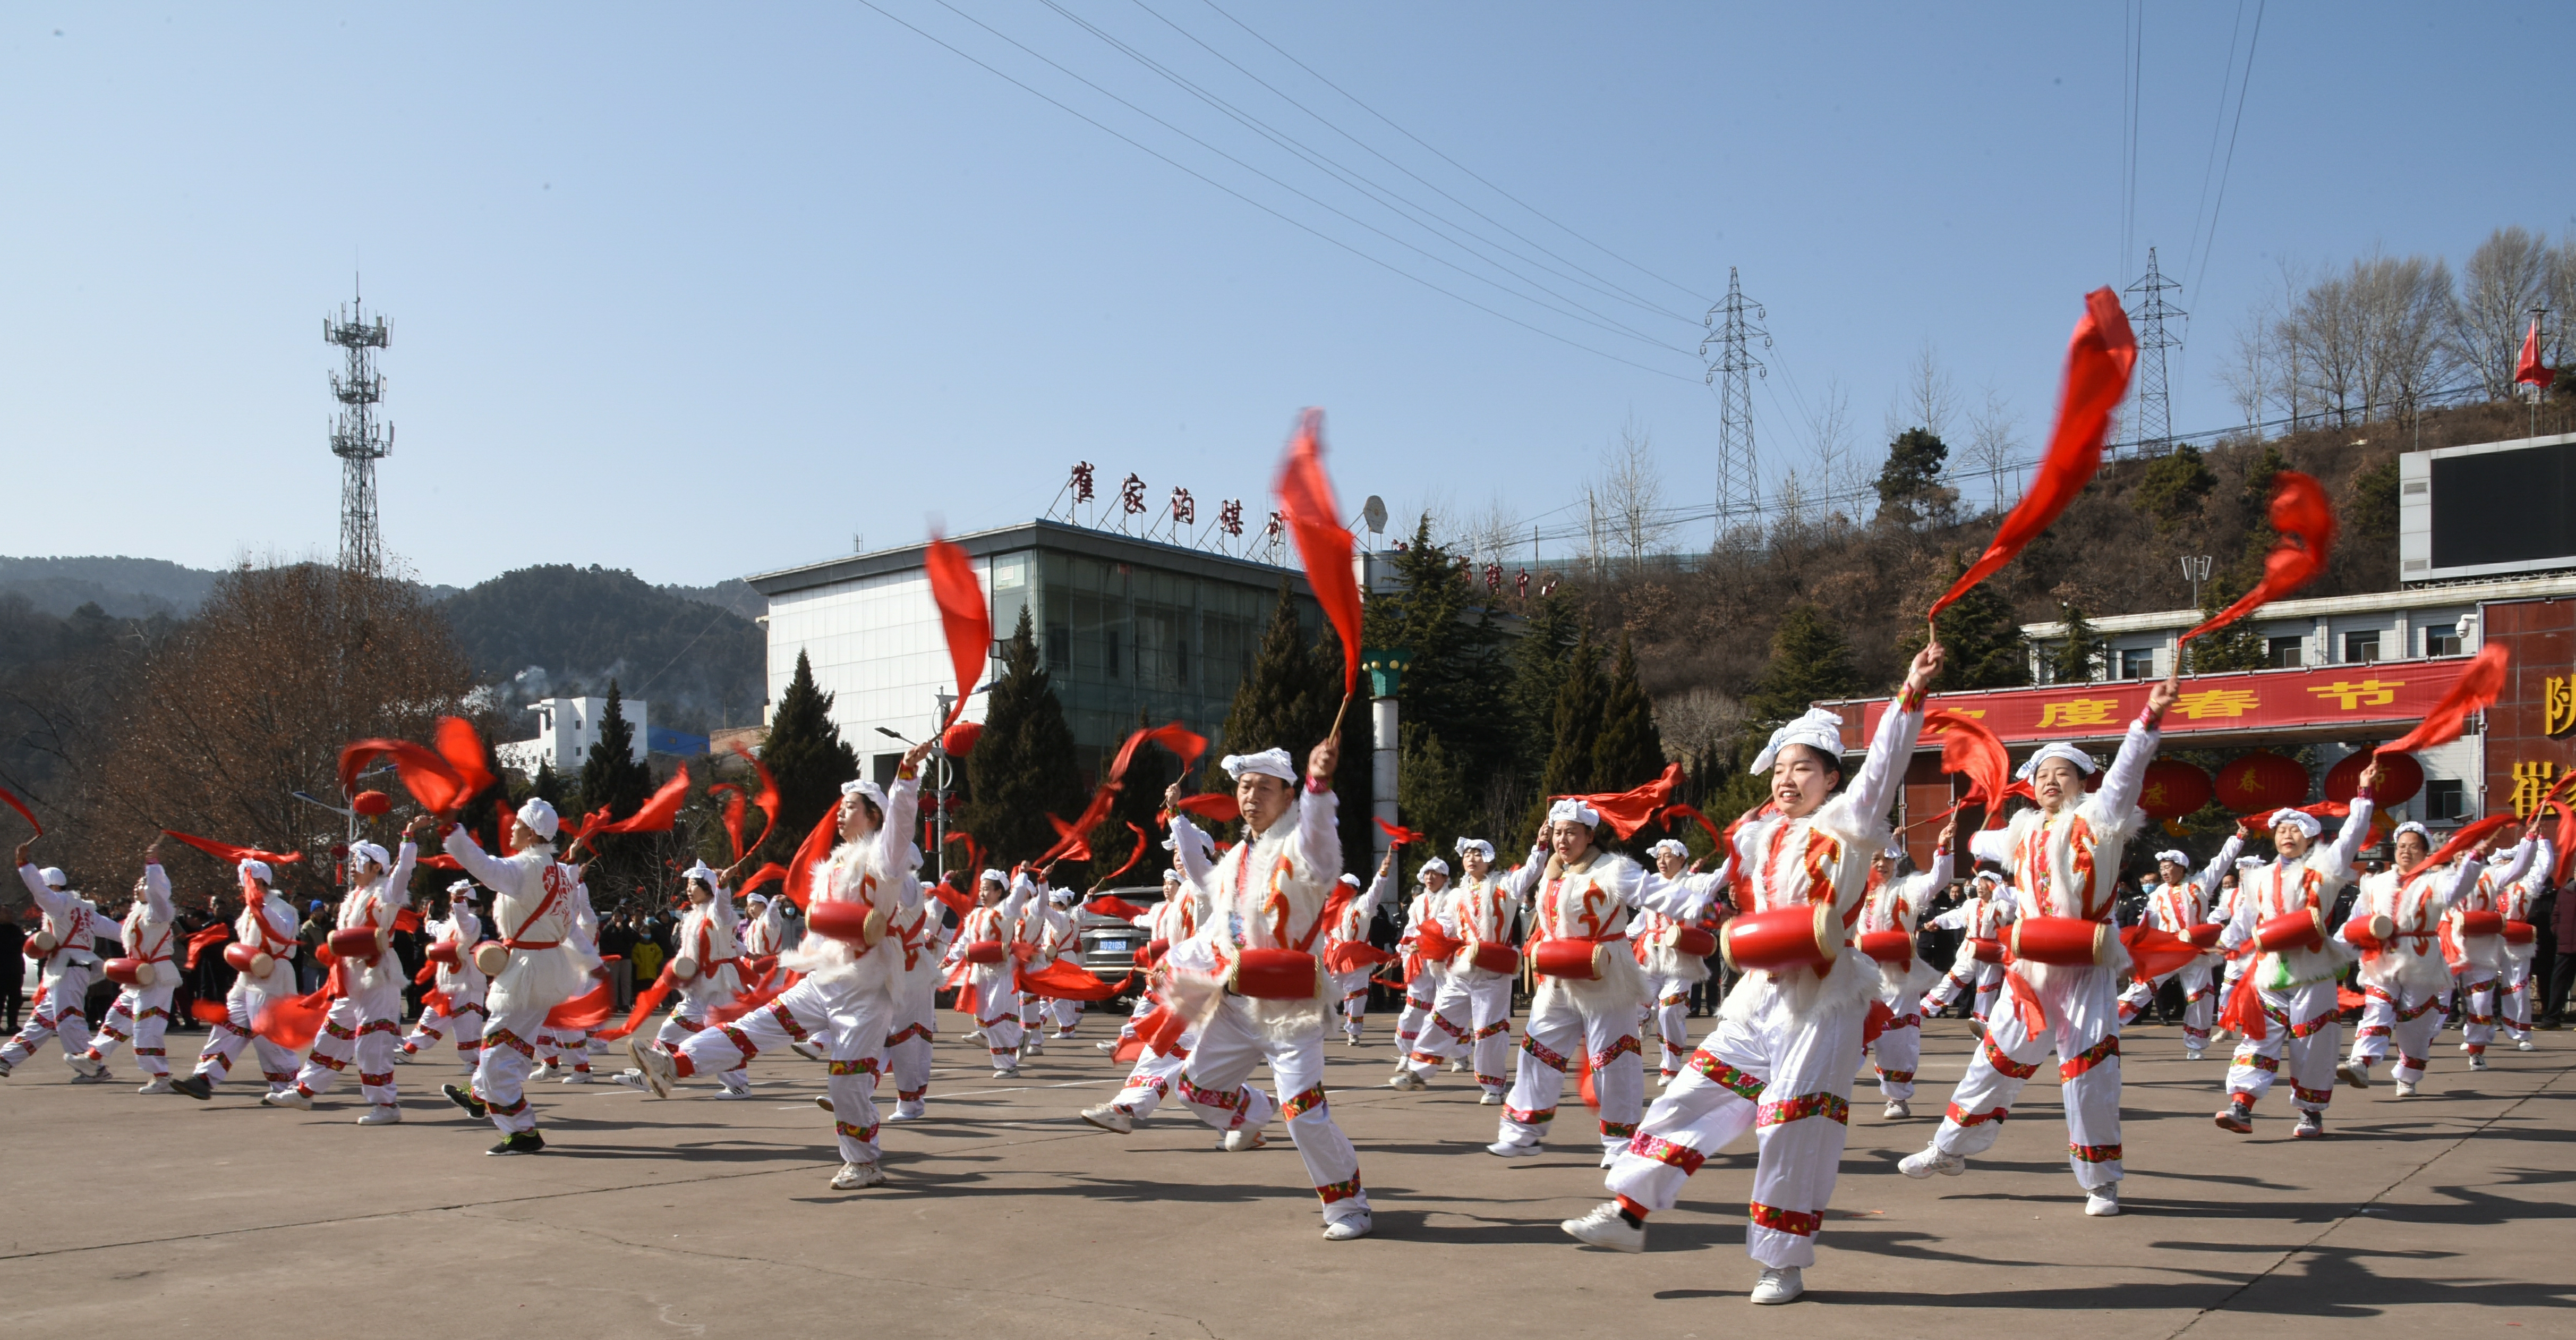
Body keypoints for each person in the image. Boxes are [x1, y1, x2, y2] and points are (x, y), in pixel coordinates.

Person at [1566, 641, 1940, 1307]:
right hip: (1757, 994)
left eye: (1804, 768)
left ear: (1830, 777)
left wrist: (1908, 693)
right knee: (1691, 1094)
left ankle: (1781, 1262)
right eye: (1779, 769)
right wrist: (1638, 888)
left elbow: (1883, 768)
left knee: (1792, 1122)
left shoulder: (1851, 823)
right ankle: (1628, 1212)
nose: (1786, 780)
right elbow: (1702, 895)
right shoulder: (1754, 835)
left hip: (1824, 999)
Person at [1895, 669, 2175, 1217]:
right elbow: (1981, 837)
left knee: (2090, 1071)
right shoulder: (2021, 831)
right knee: (1992, 1062)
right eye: (2043, 773)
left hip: (2085, 966)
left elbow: (2126, 774)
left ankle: (2101, 1181)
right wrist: (1954, 832)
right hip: (2028, 969)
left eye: (2063, 773)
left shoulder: (2101, 818)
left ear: (2082, 781)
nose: (2051, 780)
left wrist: (2147, 721)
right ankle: (1947, 1149)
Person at [627, 741, 935, 1191]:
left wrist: (906, 778)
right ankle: (673, 1066)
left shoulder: (883, 860)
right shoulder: (834, 864)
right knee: (752, 1028)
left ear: (873, 815)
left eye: (851, 808)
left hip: (866, 991)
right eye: (842, 807)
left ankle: (864, 1163)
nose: (841, 814)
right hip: (824, 980)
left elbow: (900, 831)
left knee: (846, 1083)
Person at [1158, 739, 1374, 1241]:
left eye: (1264, 788)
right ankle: (1256, 1108)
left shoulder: (1300, 844)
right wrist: (1175, 967)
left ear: (1288, 795)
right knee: (1195, 1090)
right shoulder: (1236, 856)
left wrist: (1320, 790)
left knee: (1305, 1114)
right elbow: (1219, 930)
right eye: (1244, 786)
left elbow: (1324, 847)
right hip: (1237, 1004)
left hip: (1291, 1009)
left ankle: (1350, 1206)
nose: (1251, 796)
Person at [2212, 770, 2381, 1141]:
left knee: (2314, 1042)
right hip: (2269, 970)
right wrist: (2227, 942)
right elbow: (2244, 920)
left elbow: (2352, 834)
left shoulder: (2326, 867)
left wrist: (2364, 794)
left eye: (2295, 831)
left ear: (2311, 838)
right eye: (2281, 831)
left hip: (2314, 969)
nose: (2286, 836)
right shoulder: (2258, 876)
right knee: (2258, 1036)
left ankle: (2310, 1112)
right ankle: (2242, 1104)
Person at [1487, 799, 1653, 1168]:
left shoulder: (1614, 869)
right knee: (1536, 1050)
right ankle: (1522, 1132)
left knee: (1614, 1059)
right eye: (1558, 833)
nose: (1564, 840)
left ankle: (1620, 1144)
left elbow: (1653, 893)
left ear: (1589, 835)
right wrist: (1538, 849)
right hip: (1559, 977)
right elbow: (1518, 891)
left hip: (1606, 973)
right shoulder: (1551, 871)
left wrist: (1699, 905)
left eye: (1572, 833)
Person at [438, 799, 602, 1155]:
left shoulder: (524, 868)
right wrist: (593, 963)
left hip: (527, 970)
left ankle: (522, 1130)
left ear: (530, 833)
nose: (510, 829)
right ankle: (480, 1095)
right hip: (545, 967)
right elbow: (570, 925)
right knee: (509, 1041)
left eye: (517, 825)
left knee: (499, 1050)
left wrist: (453, 830)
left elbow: (482, 866)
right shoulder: (560, 873)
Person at [269, 820, 427, 1123]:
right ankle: (305, 1091)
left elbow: (404, 871)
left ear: (375, 867)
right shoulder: (353, 896)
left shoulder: (386, 894)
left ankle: (386, 1106)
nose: (353, 867)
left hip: (377, 976)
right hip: (350, 978)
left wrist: (408, 837)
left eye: (358, 863)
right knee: (331, 1034)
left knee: (372, 1042)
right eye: (353, 862)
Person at [2341, 821, 2481, 1097]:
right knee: (2377, 1006)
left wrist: (2473, 861)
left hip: (2421, 957)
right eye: (2402, 847)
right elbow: (2357, 918)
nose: (2406, 852)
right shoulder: (2376, 883)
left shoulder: (2436, 881)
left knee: (2415, 1022)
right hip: (2382, 957)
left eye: (2414, 847)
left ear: (2426, 852)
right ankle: (2361, 1061)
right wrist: (2336, 947)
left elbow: (2458, 889)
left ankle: (2409, 1074)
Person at [1387, 840, 1524, 1100]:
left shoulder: (1506, 885)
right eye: (1468, 855)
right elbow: (1443, 926)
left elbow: (1529, 874)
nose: (1472, 859)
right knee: (1439, 1019)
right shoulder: (1456, 895)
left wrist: (1540, 847)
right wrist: (1419, 943)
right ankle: (1417, 1072)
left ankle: (1493, 1087)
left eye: (1478, 854)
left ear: (1490, 859)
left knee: (1489, 1030)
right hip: (1462, 969)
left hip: (1493, 971)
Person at [170, 858, 305, 1102]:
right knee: (227, 1026)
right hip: (247, 978)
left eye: (248, 881)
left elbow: (284, 939)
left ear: (261, 882)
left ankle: (290, 1086)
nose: (243, 886)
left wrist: (261, 909)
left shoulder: (283, 908)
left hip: (273, 976)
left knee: (268, 1035)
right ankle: (204, 1077)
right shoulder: (248, 910)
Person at [2114, 833, 2246, 1059]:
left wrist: (2238, 838)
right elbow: (2148, 923)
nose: (2164, 872)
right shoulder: (2157, 894)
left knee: (2200, 996)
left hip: (2196, 952)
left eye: (2168, 867)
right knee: (2143, 986)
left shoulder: (2200, 884)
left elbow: (2221, 861)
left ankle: (2195, 1046)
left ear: (2182, 868)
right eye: (2162, 868)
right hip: (2167, 950)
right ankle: (2111, 1025)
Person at [639, 861, 753, 1098]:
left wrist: (723, 886)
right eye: (688, 885)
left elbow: (723, 906)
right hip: (696, 986)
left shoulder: (717, 912)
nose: (689, 890)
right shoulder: (691, 917)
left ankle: (738, 1085)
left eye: (694, 885)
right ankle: (650, 1071)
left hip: (720, 983)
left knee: (721, 1034)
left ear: (708, 888)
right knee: (670, 1029)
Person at [1862, 824, 1952, 1118]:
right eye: (1875, 859)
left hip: (1898, 978)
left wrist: (1943, 848)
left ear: (1896, 861)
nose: (1881, 865)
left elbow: (1936, 881)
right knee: (1843, 1037)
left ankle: (1896, 1098)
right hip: (1860, 977)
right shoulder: (1855, 892)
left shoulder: (1907, 888)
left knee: (1896, 1043)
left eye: (1887, 859)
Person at [76, 842, 183, 1091]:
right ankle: (92, 1058)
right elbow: (111, 929)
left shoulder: (159, 912)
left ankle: (161, 1076)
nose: (138, 887)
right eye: (138, 883)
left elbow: (157, 892)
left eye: (142, 884)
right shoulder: (137, 914)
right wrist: (82, 913)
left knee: (147, 1028)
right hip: (137, 978)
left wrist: (153, 866)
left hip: (157, 977)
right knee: (116, 1018)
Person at [1634, 837, 1731, 1086]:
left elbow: (1723, 875)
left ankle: (1671, 1067)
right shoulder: (1650, 884)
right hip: (1650, 957)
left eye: (1668, 856)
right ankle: (1645, 1016)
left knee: (1670, 1010)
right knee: (1633, 1006)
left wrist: (1739, 843)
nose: (1662, 861)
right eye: (1659, 857)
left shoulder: (1694, 883)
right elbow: (1639, 924)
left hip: (1681, 959)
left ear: (1682, 859)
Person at [6, 844, 104, 1080]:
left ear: (53, 886)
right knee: (41, 1021)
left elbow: (40, 893)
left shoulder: (57, 903)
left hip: (68, 969)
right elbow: (115, 930)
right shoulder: (84, 909)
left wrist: (24, 864)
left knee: (69, 1020)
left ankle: (92, 1067)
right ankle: (6, 1058)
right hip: (69, 969)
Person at [2448, 825, 2536, 1071]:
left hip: (2482, 950)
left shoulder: (2491, 875)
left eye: (2469, 847)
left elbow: (2520, 868)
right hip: (2447, 949)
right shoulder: (2442, 878)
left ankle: (2477, 1049)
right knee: (2433, 1006)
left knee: (2482, 1002)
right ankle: (2414, 1055)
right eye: (2459, 848)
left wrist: (2529, 841)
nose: (2462, 853)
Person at [950, 868, 1037, 1076]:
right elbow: (964, 941)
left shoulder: (1005, 910)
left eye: (988, 890)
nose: (982, 894)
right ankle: (1019, 1038)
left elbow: (1017, 895)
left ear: (999, 892)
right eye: (981, 890)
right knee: (986, 1018)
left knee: (994, 1019)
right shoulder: (974, 915)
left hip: (1001, 972)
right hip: (980, 973)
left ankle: (1007, 1065)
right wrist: (948, 960)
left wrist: (1022, 874)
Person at [400, 881, 488, 1069]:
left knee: (467, 1027)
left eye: (454, 899)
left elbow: (462, 919)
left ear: (466, 902)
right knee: (432, 1016)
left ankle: (477, 1061)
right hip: (448, 983)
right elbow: (439, 929)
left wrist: (459, 901)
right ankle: (408, 1050)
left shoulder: (471, 922)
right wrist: (428, 922)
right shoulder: (452, 924)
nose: (451, 902)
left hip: (467, 982)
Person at [1919, 870, 2013, 1027]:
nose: (1980, 888)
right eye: (1979, 885)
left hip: (1991, 953)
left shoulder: (2004, 906)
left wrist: (2000, 890)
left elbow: (2014, 901)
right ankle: (1925, 1009)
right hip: (1969, 950)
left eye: (1984, 885)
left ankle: (1982, 1024)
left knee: (1987, 989)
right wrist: (1937, 921)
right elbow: (1955, 916)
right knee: (1952, 979)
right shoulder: (1971, 904)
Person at [1322, 852, 1396, 1046]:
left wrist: (1382, 873)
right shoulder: (1330, 908)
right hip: (1336, 956)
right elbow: (1325, 935)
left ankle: (1353, 1031)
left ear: (1355, 891)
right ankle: (1321, 1028)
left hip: (1358, 957)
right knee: (1328, 992)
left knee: (1357, 994)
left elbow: (1375, 892)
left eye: (1348, 888)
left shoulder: (1363, 905)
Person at [1387, 858, 1455, 1068]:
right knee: (1413, 1008)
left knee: (1448, 1009)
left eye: (1435, 874)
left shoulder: (1452, 899)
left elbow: (1446, 925)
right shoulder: (1417, 903)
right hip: (1419, 960)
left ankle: (1460, 1054)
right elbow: (1410, 931)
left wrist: (1424, 942)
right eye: (1427, 874)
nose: (1430, 878)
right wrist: (1400, 952)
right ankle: (1407, 1052)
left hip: (1444, 961)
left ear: (1445, 877)